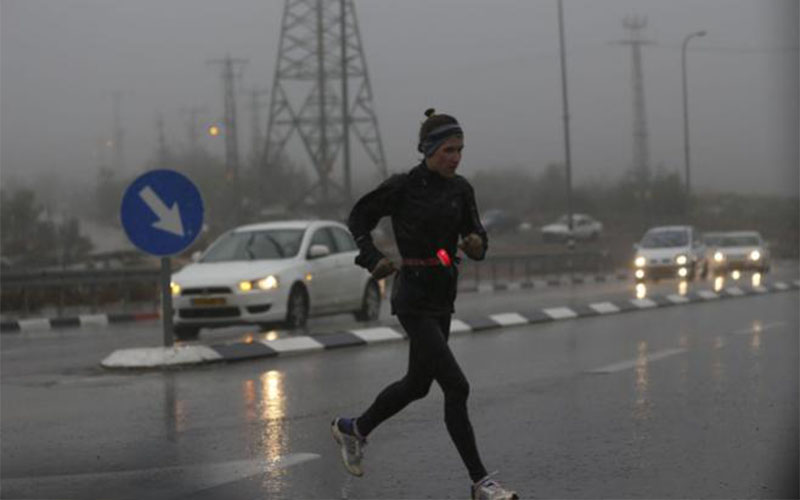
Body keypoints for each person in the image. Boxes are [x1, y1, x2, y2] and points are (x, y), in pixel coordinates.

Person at [331, 109, 518, 500]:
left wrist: (475, 244)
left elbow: (479, 238)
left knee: (417, 385)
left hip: (441, 296)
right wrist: (372, 257)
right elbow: (358, 218)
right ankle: (481, 482)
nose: (455, 157)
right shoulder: (403, 186)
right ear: (429, 149)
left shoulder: (461, 190)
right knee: (457, 386)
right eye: (449, 149)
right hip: (412, 296)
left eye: (460, 149)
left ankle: (354, 429)